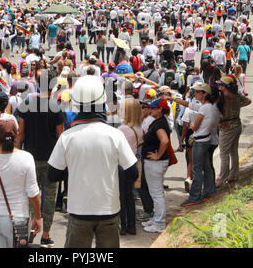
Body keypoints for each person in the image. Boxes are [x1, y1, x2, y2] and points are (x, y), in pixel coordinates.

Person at [47, 75, 138, 248]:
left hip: (78, 212)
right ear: (102, 103)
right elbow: (132, 173)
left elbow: (52, 175)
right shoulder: (115, 135)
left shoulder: (67, 137)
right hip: (109, 211)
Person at [0, 116, 42, 248]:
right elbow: (33, 193)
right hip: (18, 219)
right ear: (16, 135)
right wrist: (37, 217)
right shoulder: (26, 158)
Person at [17, 69, 65, 247]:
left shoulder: (27, 103)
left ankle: (29, 230)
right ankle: (45, 234)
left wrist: (15, 152)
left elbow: (20, 133)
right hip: (51, 160)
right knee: (49, 197)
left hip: (29, 158)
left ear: (38, 83)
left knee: (29, 195)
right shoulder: (57, 107)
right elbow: (61, 137)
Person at [179, 83, 219, 207]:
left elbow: (195, 126)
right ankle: (209, 191)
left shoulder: (204, 108)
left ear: (204, 94)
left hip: (200, 141)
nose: (195, 94)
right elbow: (190, 105)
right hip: (206, 140)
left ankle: (194, 196)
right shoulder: (210, 107)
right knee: (206, 167)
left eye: (197, 92)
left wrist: (193, 125)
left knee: (196, 169)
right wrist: (174, 99)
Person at [139, 98, 171, 233]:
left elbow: (165, 141)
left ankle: (159, 222)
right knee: (155, 192)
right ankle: (157, 219)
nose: (150, 110)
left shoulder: (159, 124)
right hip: (154, 162)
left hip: (155, 162)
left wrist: (157, 156)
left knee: (156, 193)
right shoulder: (158, 122)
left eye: (153, 108)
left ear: (160, 109)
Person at [215, 75, 251, 187]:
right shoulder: (236, 95)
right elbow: (248, 101)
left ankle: (222, 177)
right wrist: (237, 106)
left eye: (220, 85)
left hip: (226, 127)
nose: (219, 87)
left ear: (225, 87)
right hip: (237, 124)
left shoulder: (222, 97)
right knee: (233, 151)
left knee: (224, 153)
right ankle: (234, 174)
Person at [118, 99, 143, 235]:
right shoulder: (139, 128)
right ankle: (131, 225)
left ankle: (122, 225)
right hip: (132, 164)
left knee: (121, 197)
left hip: (122, 165)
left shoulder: (123, 129)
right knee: (129, 196)